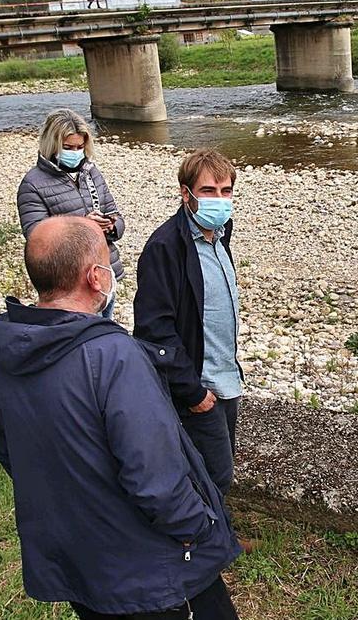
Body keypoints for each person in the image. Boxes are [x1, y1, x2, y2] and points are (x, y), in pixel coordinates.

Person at [0, 215, 240, 620]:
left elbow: (5, 445)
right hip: (150, 575)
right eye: (107, 262)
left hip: (81, 563)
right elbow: (156, 481)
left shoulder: (10, 344)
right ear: (95, 278)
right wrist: (203, 527)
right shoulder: (113, 355)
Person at [134, 149, 242, 500]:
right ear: (186, 194)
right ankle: (200, 548)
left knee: (218, 469)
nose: (220, 200)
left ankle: (213, 537)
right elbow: (153, 329)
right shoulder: (165, 247)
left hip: (226, 377)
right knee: (211, 475)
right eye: (209, 191)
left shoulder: (220, 234)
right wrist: (192, 392)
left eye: (226, 191)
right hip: (199, 383)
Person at [18, 109, 125, 320]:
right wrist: (85, 226)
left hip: (103, 276)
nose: (75, 152)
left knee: (103, 334)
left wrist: (110, 227)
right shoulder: (32, 184)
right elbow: (37, 241)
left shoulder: (91, 173)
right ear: (52, 145)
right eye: (68, 148)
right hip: (68, 288)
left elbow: (116, 216)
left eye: (79, 147)